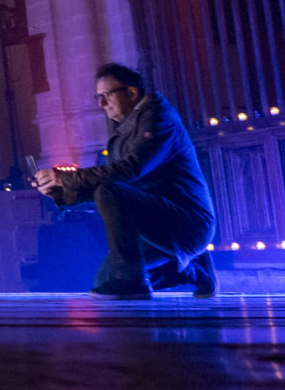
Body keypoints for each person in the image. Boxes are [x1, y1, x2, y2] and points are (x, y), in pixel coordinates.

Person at [32, 63, 215, 299]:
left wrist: (68, 178)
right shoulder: (128, 127)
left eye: (107, 95)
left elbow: (130, 170)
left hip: (187, 221)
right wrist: (64, 191)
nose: (101, 104)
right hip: (157, 220)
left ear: (131, 92)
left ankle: (132, 280)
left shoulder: (160, 119)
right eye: (98, 97)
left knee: (123, 273)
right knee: (104, 280)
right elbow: (115, 186)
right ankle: (192, 270)